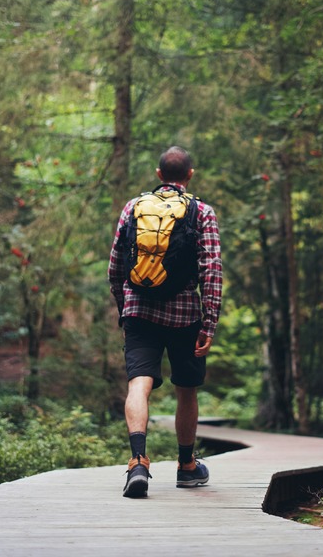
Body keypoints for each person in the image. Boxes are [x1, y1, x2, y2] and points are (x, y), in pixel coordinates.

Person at [108, 146, 222, 498]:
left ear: (159, 175)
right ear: (190, 175)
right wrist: (209, 323)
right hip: (185, 314)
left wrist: (122, 306)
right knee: (185, 390)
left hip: (139, 310)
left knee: (138, 385)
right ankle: (187, 466)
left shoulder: (133, 207)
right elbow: (211, 269)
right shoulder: (201, 211)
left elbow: (115, 265)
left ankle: (138, 461)